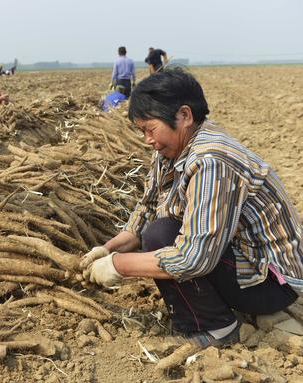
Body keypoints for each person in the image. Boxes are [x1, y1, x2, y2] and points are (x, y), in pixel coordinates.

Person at [80, 68, 302, 348]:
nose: (148, 140)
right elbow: (147, 208)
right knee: (157, 228)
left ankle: (216, 327)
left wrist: (119, 265)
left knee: (160, 235)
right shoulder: (171, 150)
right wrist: (107, 249)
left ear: (184, 116)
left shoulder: (211, 161)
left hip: (271, 284)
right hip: (242, 262)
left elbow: (194, 258)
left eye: (150, 129)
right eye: (142, 132)